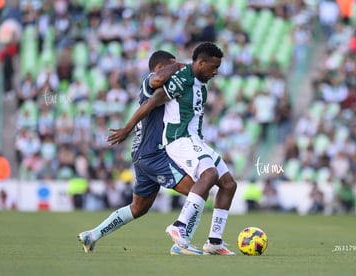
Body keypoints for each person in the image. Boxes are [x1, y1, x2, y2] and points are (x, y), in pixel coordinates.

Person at [108, 43, 237, 255]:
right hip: (178, 139)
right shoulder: (183, 77)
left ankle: (214, 241)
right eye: (213, 67)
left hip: (195, 140)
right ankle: (179, 226)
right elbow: (155, 100)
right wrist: (127, 129)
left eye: (218, 68)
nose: (215, 72)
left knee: (229, 184)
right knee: (209, 174)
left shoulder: (200, 83)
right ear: (200, 62)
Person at [78, 51, 204, 255]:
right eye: (171, 65)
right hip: (153, 154)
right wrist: (181, 65)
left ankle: (92, 235)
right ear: (160, 66)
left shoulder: (165, 91)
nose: (176, 70)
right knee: (199, 190)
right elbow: (158, 77)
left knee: (138, 208)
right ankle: (182, 244)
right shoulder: (150, 81)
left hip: (142, 155)